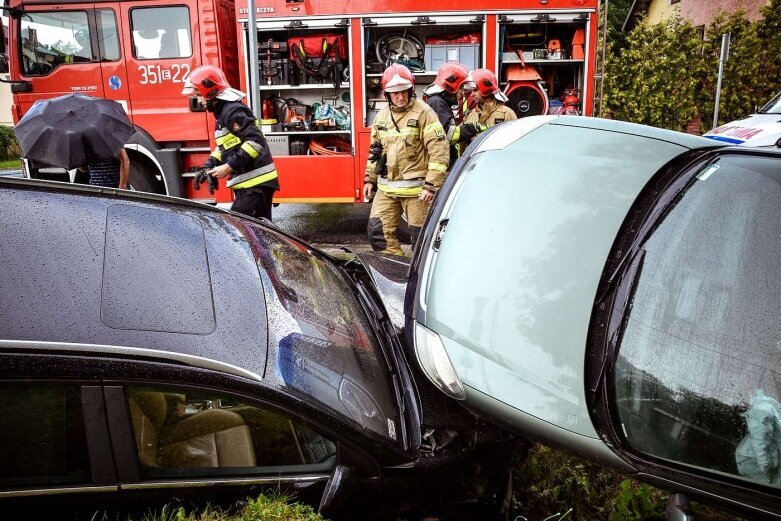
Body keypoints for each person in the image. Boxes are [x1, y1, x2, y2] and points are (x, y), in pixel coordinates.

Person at [363, 63, 449, 256]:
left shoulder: (425, 113)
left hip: (417, 192)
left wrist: (431, 185)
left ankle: (419, 280)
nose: (400, 97)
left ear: (411, 90)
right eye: (395, 93)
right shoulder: (382, 116)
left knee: (422, 241)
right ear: (387, 94)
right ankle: (396, 272)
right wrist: (369, 179)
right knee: (378, 233)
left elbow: (439, 150)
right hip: (386, 189)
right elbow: (375, 150)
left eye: (404, 92)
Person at [181, 65, 279, 220]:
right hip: (251, 185)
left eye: (199, 95)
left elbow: (255, 141)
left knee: (242, 231)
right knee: (257, 236)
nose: (199, 101)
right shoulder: (223, 113)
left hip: (255, 185)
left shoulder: (232, 111)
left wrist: (229, 166)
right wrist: (209, 165)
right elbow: (227, 146)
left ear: (210, 92)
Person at [452, 68, 517, 149]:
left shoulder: (507, 114)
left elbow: (514, 144)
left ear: (486, 89)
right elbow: (461, 146)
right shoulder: (470, 115)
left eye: (475, 90)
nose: (472, 95)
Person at [422, 62, 469, 168]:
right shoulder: (437, 103)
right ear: (451, 85)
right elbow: (448, 135)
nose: (462, 93)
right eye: (461, 88)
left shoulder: (441, 102)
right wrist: (470, 128)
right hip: (441, 166)